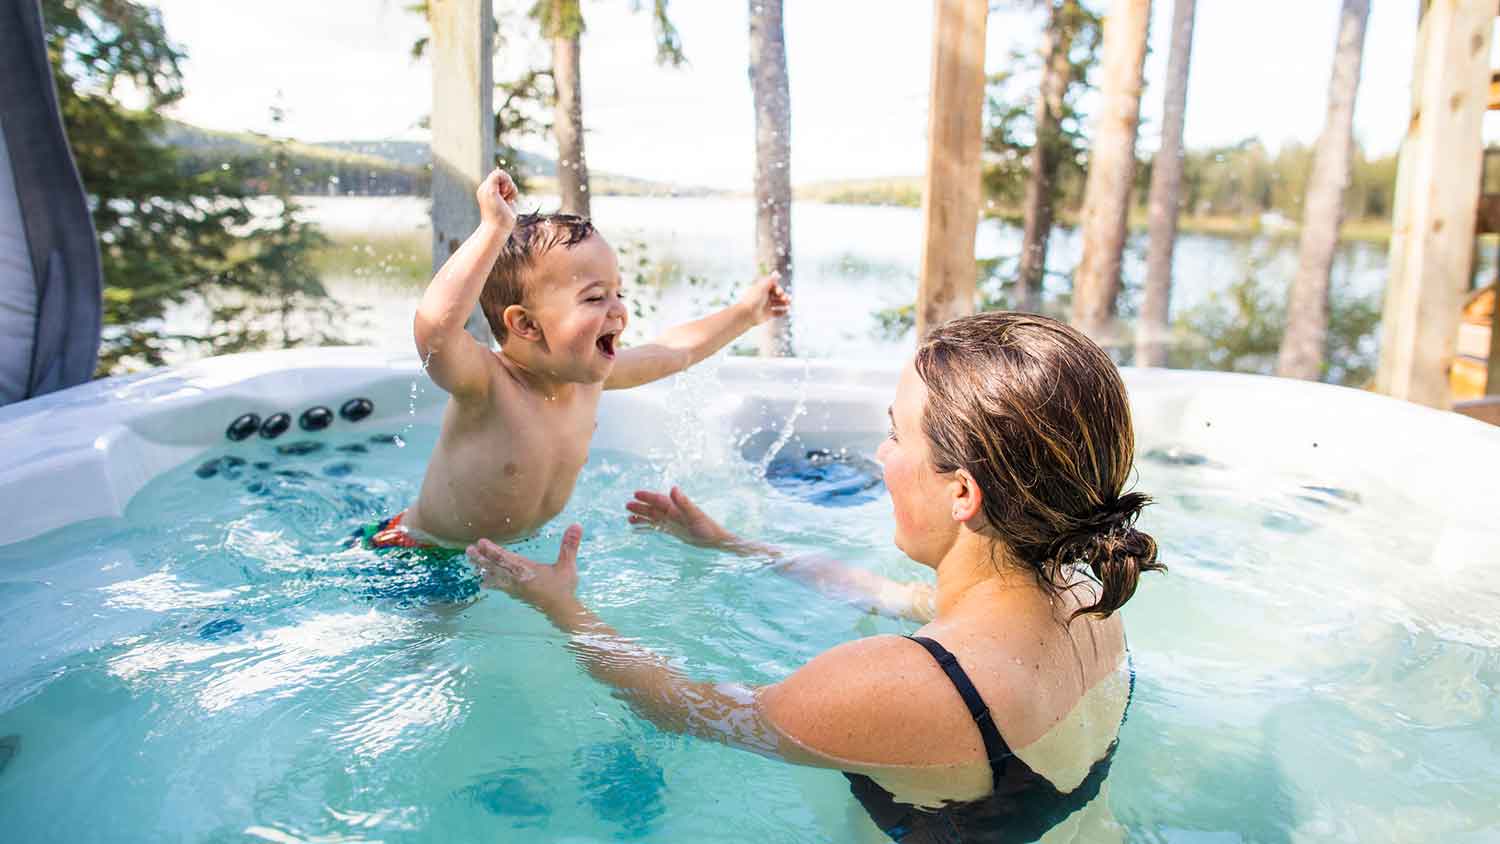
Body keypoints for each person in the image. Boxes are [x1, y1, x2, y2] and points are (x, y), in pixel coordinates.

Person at [467, 312, 1165, 842]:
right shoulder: (1089, 596)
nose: (880, 454)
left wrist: (563, 610)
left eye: (896, 434)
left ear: (963, 495)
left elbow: (682, 706)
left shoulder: (898, 685)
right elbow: (881, 591)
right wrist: (733, 545)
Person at [357, 168, 790, 551]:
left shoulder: (587, 378)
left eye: (619, 293)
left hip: (502, 557)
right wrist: (492, 229)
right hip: (421, 552)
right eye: (595, 298)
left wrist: (747, 313)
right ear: (525, 325)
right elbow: (435, 331)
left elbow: (676, 351)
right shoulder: (487, 385)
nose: (618, 310)